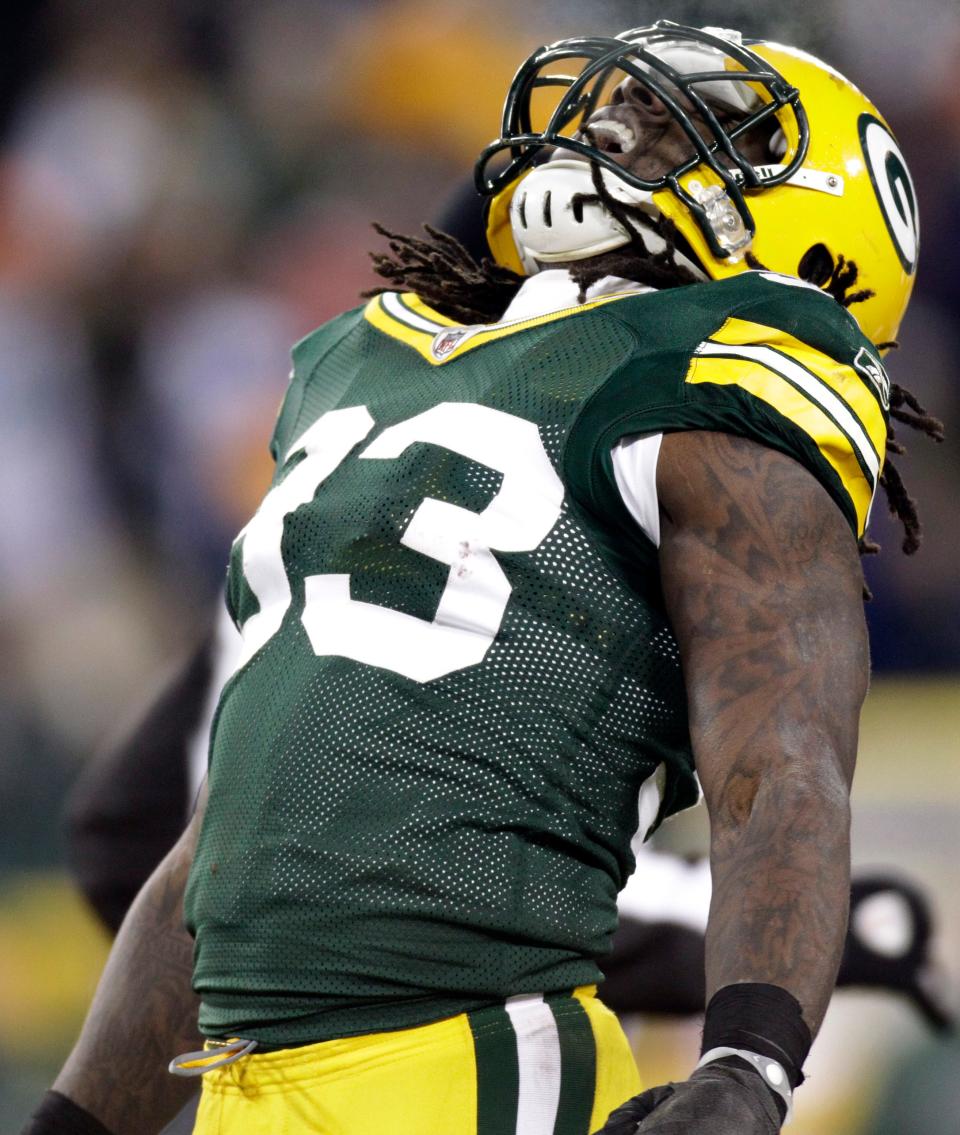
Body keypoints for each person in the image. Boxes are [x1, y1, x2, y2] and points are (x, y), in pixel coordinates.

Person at [24, 20, 943, 1135]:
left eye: (663, 124)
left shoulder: (716, 377)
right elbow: (224, 842)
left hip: (469, 1059)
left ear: (819, 225)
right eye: (615, 109)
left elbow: (780, 765)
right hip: (240, 1084)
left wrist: (750, 1062)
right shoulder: (364, 365)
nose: (606, 128)